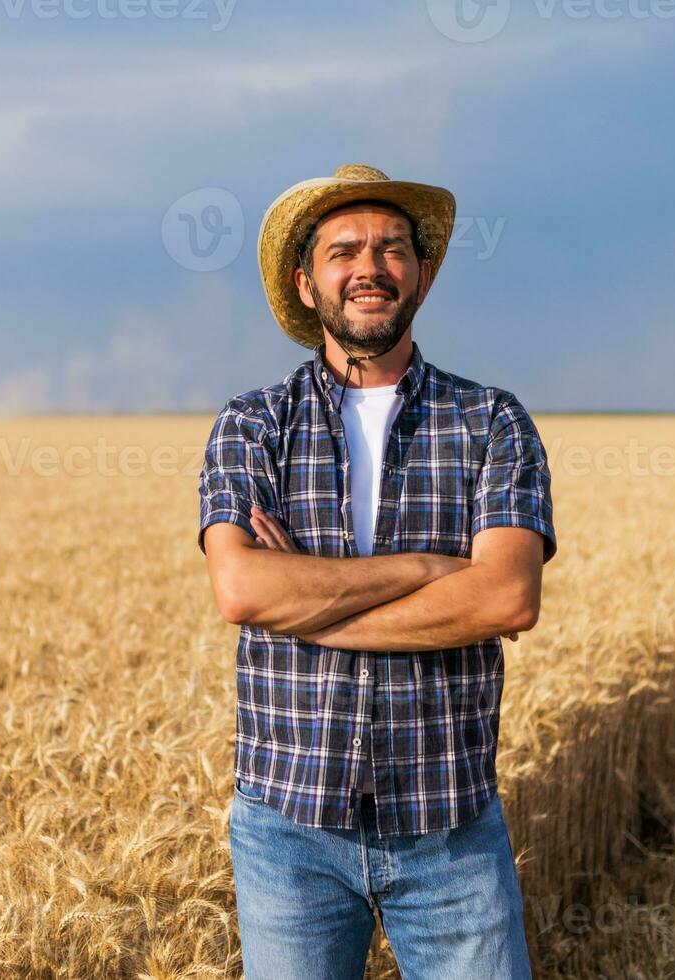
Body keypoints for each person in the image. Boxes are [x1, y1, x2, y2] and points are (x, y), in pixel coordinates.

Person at [197, 163, 557, 979]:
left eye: (394, 248)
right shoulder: (252, 425)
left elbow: (505, 595)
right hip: (289, 831)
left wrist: (312, 602)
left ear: (421, 277)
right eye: (344, 250)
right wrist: (431, 569)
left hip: (450, 828)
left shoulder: (492, 421)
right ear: (306, 281)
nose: (371, 266)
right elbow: (242, 590)